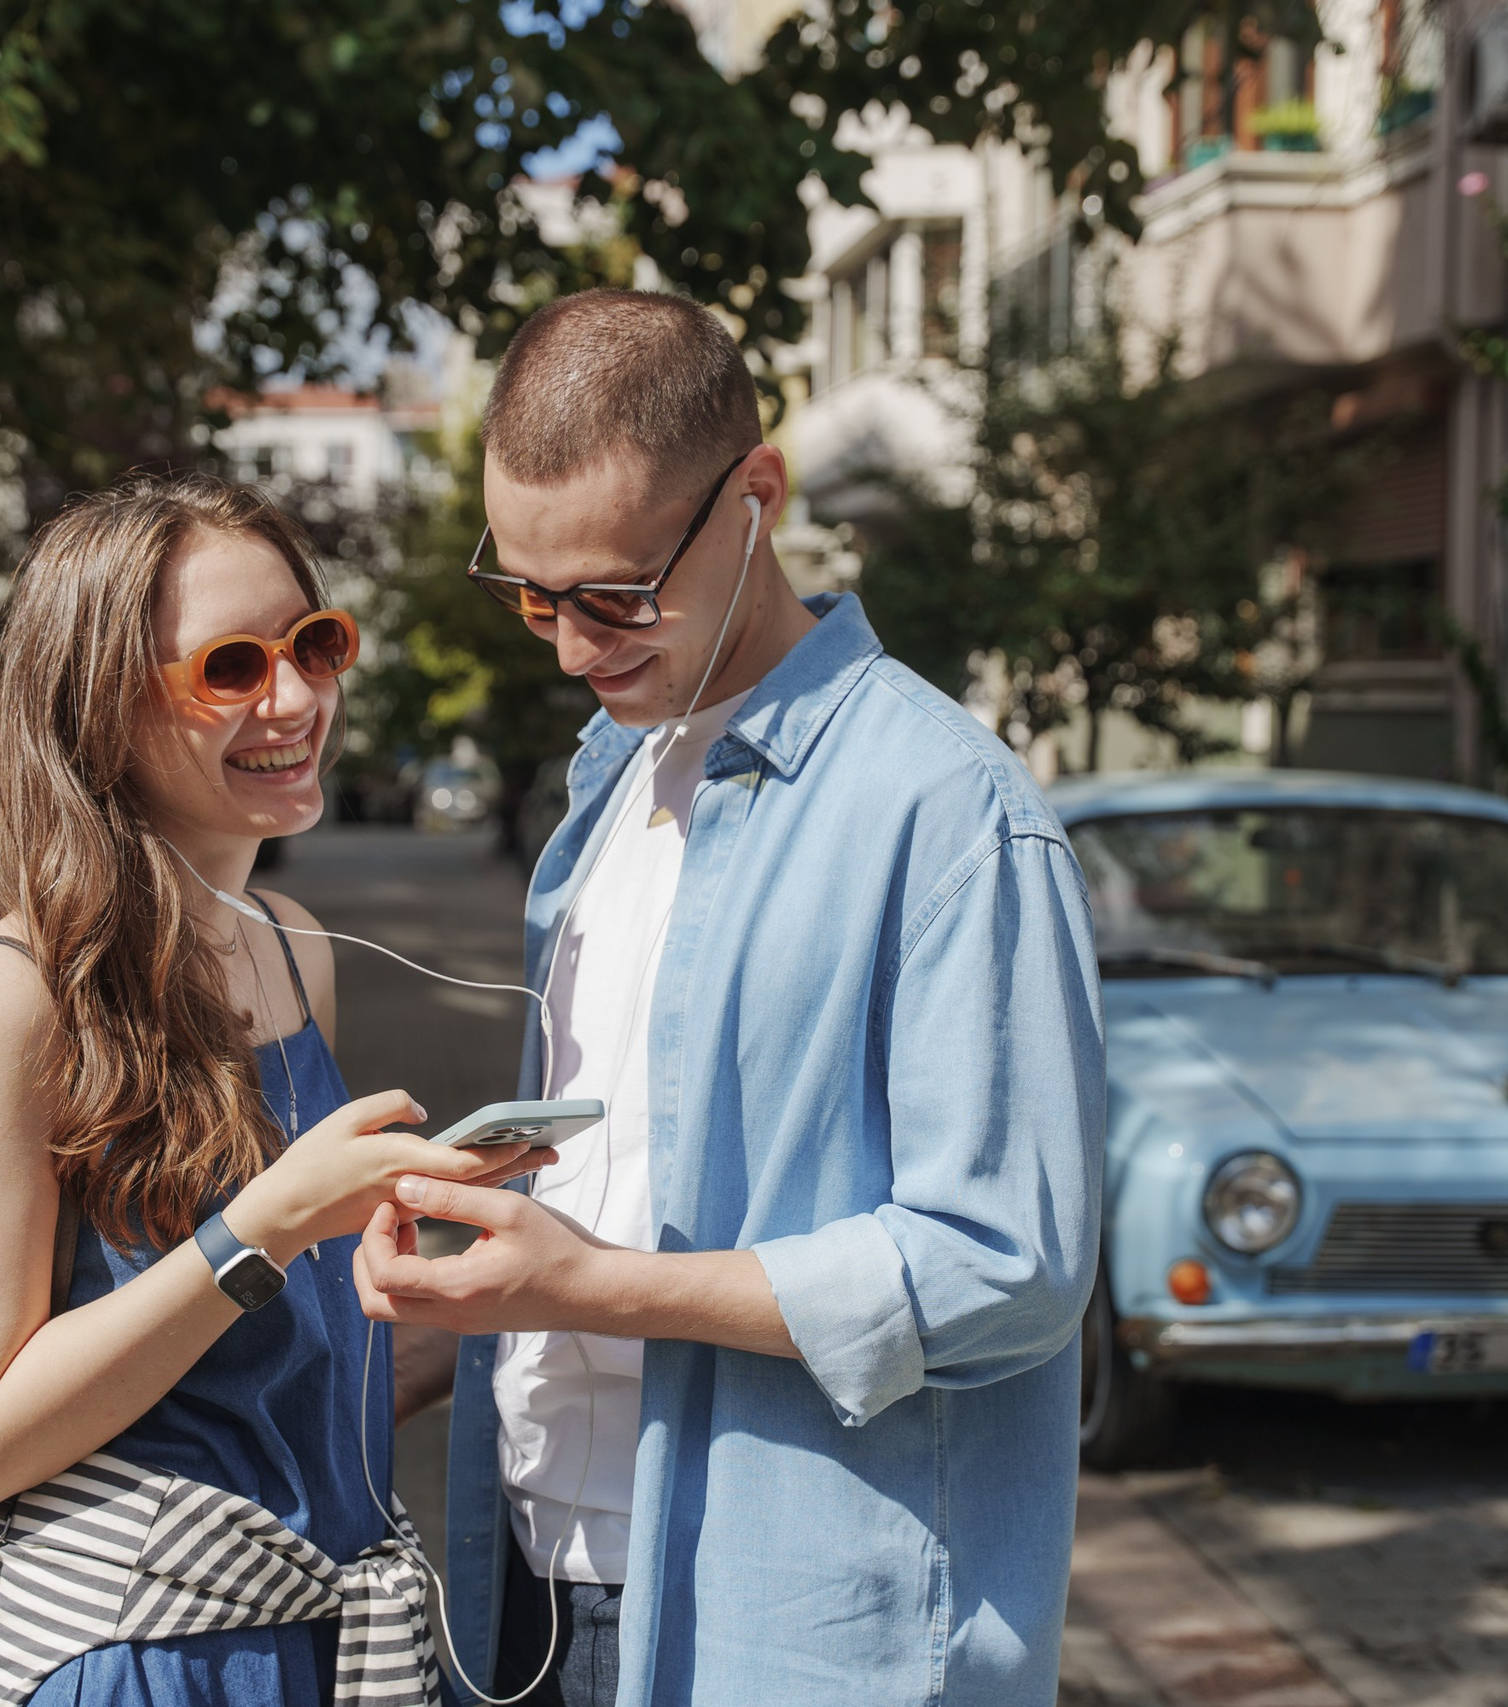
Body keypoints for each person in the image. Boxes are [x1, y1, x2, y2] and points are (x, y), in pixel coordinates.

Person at [355, 291, 1107, 1707]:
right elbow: (642, 1179)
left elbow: (1008, 1260)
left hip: (788, 1621)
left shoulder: (947, 811)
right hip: (528, 1580)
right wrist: (464, 1312)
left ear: (757, 496)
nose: (574, 645)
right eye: (530, 594)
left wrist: (594, 1285)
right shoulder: (605, 779)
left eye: (617, 593)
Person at [0, 473, 548, 1707]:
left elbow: (267, 1369)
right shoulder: (6, 1000)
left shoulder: (292, 945)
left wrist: (483, 1302)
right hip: (142, 1650)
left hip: (336, 1633)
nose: (295, 698)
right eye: (230, 668)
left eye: (313, 644)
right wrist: (266, 1224)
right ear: (96, 711)